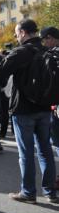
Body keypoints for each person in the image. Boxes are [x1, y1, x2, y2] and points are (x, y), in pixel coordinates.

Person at [0, 19, 57, 204]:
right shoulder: (46, 50)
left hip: (23, 109)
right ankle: (51, 191)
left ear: (23, 32)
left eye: (16, 32)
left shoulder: (22, 52)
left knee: (26, 152)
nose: (15, 36)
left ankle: (28, 192)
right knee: (45, 150)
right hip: (44, 108)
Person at [39, 26, 59, 190]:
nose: (43, 43)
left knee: (57, 141)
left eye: (44, 39)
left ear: (50, 38)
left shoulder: (53, 55)